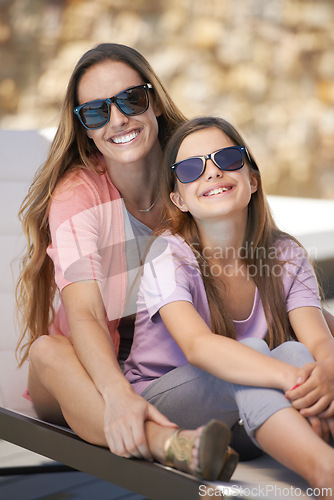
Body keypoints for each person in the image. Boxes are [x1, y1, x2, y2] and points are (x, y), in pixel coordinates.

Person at [15, 44, 240, 480]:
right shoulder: (78, 196)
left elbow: (257, 262)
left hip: (167, 371)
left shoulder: (193, 172)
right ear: (84, 127)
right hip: (84, 367)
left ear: (152, 100)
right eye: (96, 113)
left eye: (130, 99)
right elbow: (85, 312)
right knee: (45, 349)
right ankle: (172, 446)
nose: (117, 119)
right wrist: (116, 393)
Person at [124, 116, 334, 493]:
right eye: (190, 169)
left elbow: (317, 341)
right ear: (179, 199)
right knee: (254, 352)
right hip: (167, 408)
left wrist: (327, 374)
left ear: (252, 180)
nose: (212, 172)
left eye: (227, 158)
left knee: (294, 349)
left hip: (248, 423)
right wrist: (293, 381)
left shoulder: (284, 253)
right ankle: (325, 474)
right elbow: (199, 347)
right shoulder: (168, 255)